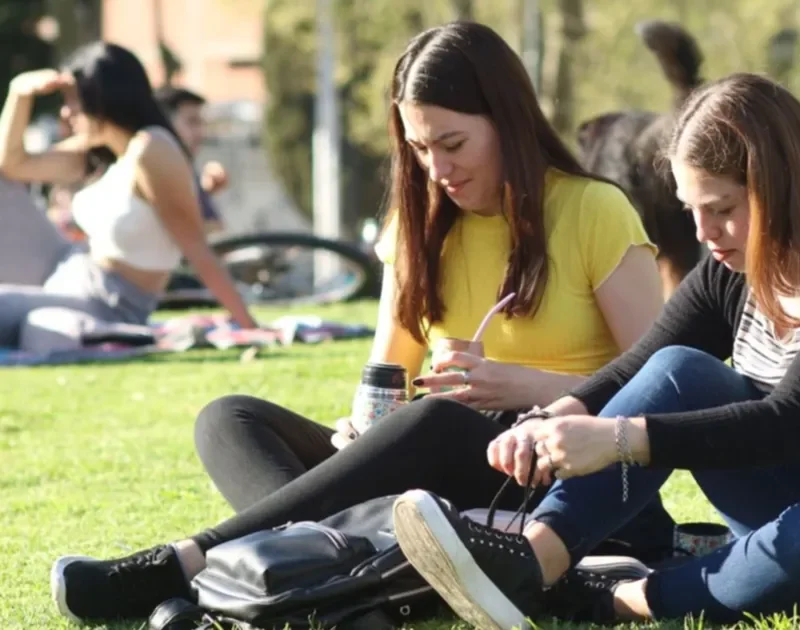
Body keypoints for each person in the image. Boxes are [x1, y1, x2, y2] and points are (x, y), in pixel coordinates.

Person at [49, 22, 676, 624]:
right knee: (229, 419)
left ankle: (187, 562)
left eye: (452, 144)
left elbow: (662, 388)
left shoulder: (595, 210)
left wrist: (525, 388)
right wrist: (361, 424)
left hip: (565, 476)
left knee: (431, 421)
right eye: (419, 148)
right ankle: (367, 569)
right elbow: (388, 375)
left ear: (506, 121)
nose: (437, 169)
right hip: (435, 474)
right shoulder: (419, 226)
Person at [385, 72, 800, 628]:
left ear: (781, 188)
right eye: (691, 209)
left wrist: (617, 440)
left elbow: (791, 423)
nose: (704, 234)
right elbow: (644, 365)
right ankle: (533, 561)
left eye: (721, 208)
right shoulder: (733, 262)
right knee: (678, 371)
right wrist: (558, 415)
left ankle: (618, 599)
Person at [0, 42, 257, 353]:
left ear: (102, 99)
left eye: (74, 101)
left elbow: (194, 244)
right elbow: (11, 166)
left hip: (108, 301)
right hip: (65, 266)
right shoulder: (101, 151)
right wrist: (19, 94)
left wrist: (248, 326)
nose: (66, 113)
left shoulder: (152, 149)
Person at [155, 85, 226, 234]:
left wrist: (205, 191)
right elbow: (208, 233)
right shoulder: (159, 173)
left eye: (201, 123)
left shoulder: (186, 171)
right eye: (192, 122)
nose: (201, 132)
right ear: (166, 124)